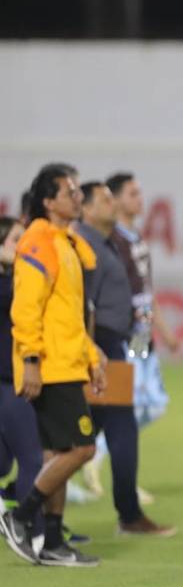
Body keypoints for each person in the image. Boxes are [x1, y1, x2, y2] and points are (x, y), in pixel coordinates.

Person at [0, 164, 105, 566]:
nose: (78, 197)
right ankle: (20, 515)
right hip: (50, 365)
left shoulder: (64, 241)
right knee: (82, 448)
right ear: (48, 201)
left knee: (57, 453)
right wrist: (29, 360)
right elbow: (26, 306)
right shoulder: (40, 240)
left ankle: (54, 540)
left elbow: (69, 315)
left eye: (79, 191)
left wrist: (92, 356)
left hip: (67, 361)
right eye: (70, 192)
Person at [76, 181, 175, 536]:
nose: (112, 204)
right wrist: (91, 350)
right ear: (85, 209)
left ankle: (42, 514)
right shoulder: (84, 245)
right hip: (100, 346)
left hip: (118, 342)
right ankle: (126, 516)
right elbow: (81, 303)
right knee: (112, 429)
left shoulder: (110, 243)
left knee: (99, 430)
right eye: (105, 200)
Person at [0, 214, 44, 522]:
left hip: (9, 382)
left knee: (4, 462)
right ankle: (37, 532)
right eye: (17, 240)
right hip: (9, 383)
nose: (23, 248)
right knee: (33, 459)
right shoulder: (9, 289)